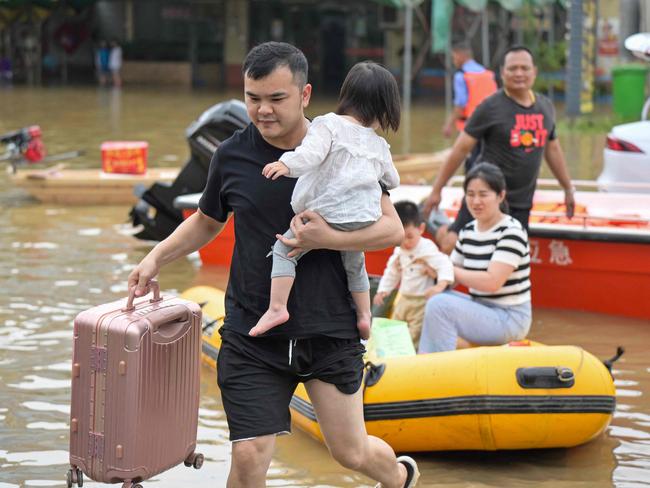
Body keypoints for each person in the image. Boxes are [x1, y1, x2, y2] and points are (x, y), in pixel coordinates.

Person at [127, 42, 419, 488]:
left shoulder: (343, 145)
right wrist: (153, 258)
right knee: (248, 456)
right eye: (252, 98)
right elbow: (207, 222)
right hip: (253, 331)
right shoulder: (232, 155)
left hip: (328, 327)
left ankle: (399, 477)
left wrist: (331, 239)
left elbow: (391, 229)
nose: (262, 110)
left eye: (276, 99)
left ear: (304, 95)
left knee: (350, 451)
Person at [249, 61, 401, 340]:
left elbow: (311, 154)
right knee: (355, 262)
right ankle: (365, 315)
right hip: (363, 218)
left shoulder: (328, 124)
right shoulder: (379, 144)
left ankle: (277, 307)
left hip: (326, 213)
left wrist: (286, 164)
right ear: (384, 107)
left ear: (347, 95)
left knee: (284, 251)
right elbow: (392, 180)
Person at [423, 45, 575, 255]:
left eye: (525, 68)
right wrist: (436, 191)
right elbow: (460, 150)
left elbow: (553, 150)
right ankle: (439, 228)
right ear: (502, 73)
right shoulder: (490, 107)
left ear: (534, 72)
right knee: (452, 245)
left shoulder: (545, 107)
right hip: (484, 197)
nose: (519, 73)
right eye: (513, 69)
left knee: (510, 256)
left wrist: (568, 188)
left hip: (521, 202)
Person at [419, 162, 532, 353]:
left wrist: (450, 270)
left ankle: (436, 370)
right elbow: (451, 278)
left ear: (501, 195)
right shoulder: (468, 230)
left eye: (483, 194)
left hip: (510, 317)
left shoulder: (511, 231)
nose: (476, 201)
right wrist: (435, 270)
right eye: (470, 194)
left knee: (440, 305)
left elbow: (492, 282)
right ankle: (430, 358)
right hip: (481, 308)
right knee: (432, 296)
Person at [373, 201, 454, 346]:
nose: (405, 242)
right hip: (404, 297)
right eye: (401, 236)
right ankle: (393, 350)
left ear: (421, 228)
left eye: (409, 236)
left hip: (421, 300)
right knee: (396, 325)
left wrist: (440, 285)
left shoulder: (427, 248)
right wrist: (383, 290)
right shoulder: (399, 250)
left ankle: (409, 355)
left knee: (415, 332)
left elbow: (444, 264)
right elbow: (392, 272)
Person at [441, 42, 497, 140]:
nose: (454, 61)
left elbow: (460, 104)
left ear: (460, 55)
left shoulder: (461, 76)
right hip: (490, 125)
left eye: (454, 57)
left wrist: (449, 125)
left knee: (465, 154)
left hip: (469, 127)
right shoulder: (488, 74)